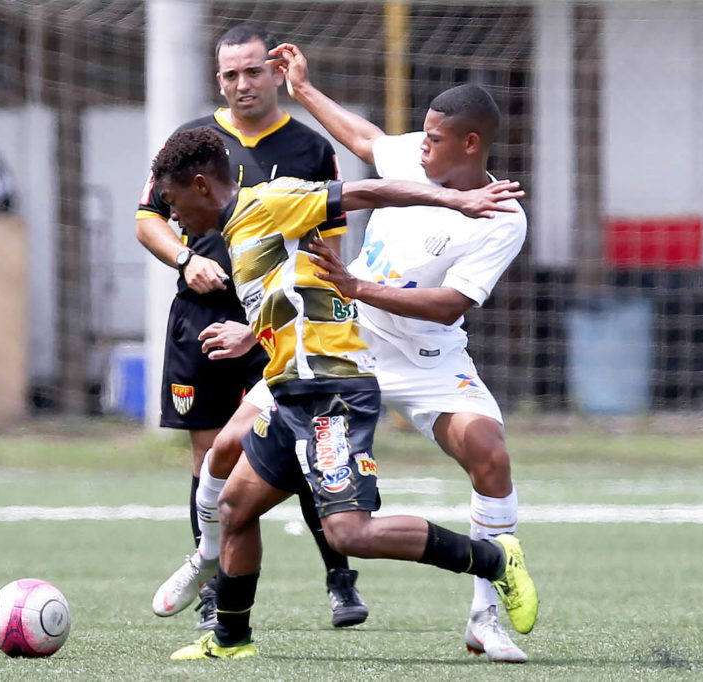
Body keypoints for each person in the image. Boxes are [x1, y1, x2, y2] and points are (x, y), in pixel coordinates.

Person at [165, 45, 537, 662]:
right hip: (344, 335)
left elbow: (450, 304)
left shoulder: (500, 217)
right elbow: (365, 139)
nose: (420, 145)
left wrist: (361, 284)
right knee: (227, 456)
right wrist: (304, 90)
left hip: (413, 357)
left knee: (487, 454)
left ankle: (485, 615)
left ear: (470, 145)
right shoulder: (414, 154)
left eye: (436, 139)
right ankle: (210, 573)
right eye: (421, 132)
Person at [135, 24, 368, 630]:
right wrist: (187, 259)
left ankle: (341, 579)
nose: (243, 83)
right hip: (204, 322)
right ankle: (216, 593)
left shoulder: (311, 149)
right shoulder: (191, 143)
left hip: (281, 319)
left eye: (253, 71)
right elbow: (147, 220)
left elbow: (326, 250)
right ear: (220, 80)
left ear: (275, 74)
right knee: (209, 452)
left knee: (305, 443)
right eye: (231, 74)